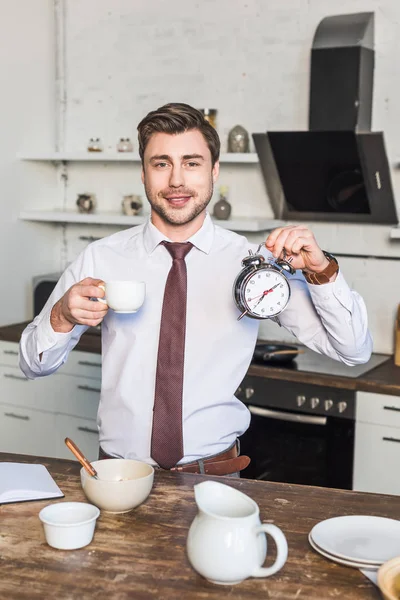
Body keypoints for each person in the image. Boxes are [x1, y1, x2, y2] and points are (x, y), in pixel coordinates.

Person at [19, 103, 372, 476]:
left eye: (191, 162)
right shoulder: (100, 257)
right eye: (161, 163)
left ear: (214, 171)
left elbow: (353, 351)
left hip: (217, 479)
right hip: (118, 478)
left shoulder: (255, 265)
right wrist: (60, 315)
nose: (176, 181)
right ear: (143, 174)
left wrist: (322, 271)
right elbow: (31, 364)